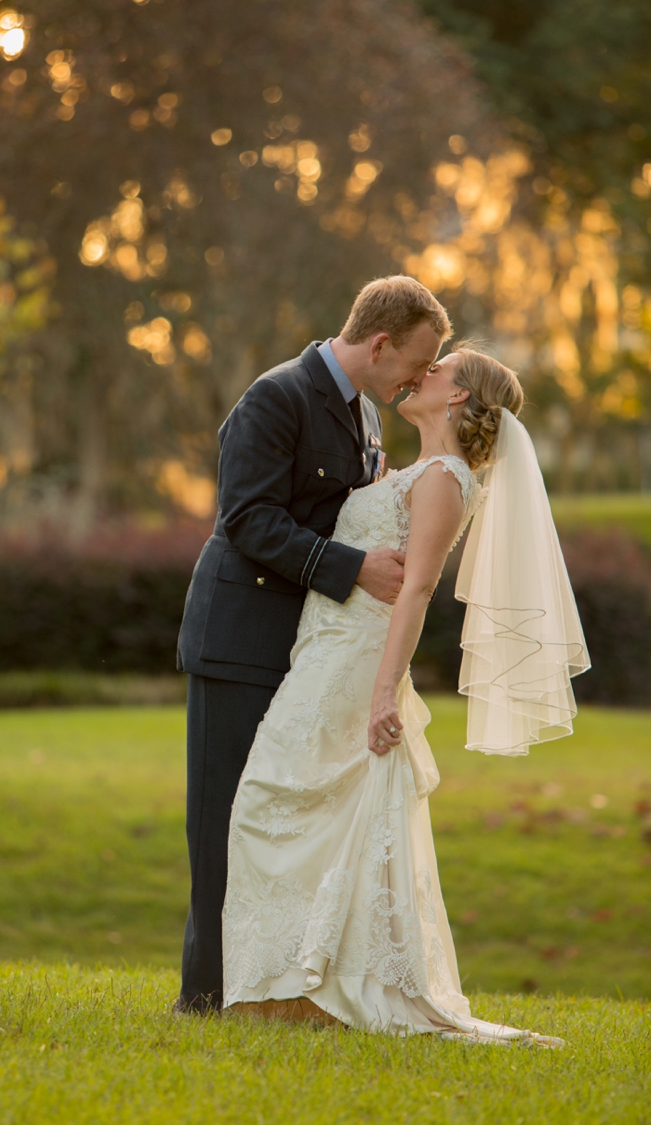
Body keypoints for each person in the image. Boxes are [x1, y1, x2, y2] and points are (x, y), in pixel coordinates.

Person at [223, 344, 589, 1044]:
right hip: (323, 653)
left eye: (440, 368)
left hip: (357, 664)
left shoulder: (446, 479)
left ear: (456, 397)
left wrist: (385, 691)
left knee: (274, 800)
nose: (422, 372)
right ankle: (295, 989)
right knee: (296, 807)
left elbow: (415, 589)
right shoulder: (414, 470)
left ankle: (317, 985)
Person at [175, 276, 453, 1013]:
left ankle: (272, 991)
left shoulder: (364, 414)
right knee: (224, 818)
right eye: (416, 364)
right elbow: (247, 519)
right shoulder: (277, 397)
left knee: (284, 819)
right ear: (379, 342)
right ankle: (204, 996)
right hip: (239, 638)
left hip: (308, 650)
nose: (419, 380)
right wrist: (354, 568)